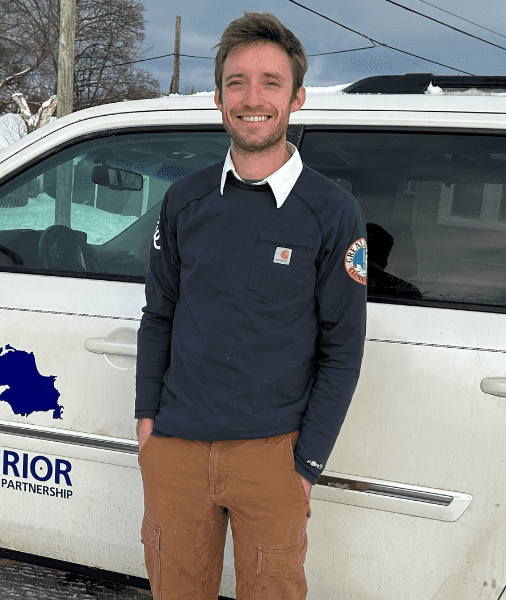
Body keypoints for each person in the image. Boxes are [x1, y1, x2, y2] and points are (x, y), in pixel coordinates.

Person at [135, 12, 367, 600]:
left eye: (271, 82)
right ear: (217, 98)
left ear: (297, 97)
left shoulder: (332, 212)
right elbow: (159, 313)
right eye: (237, 82)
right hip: (176, 451)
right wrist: (147, 423)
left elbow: (342, 347)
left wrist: (307, 462)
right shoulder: (184, 201)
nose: (253, 97)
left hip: (274, 455)